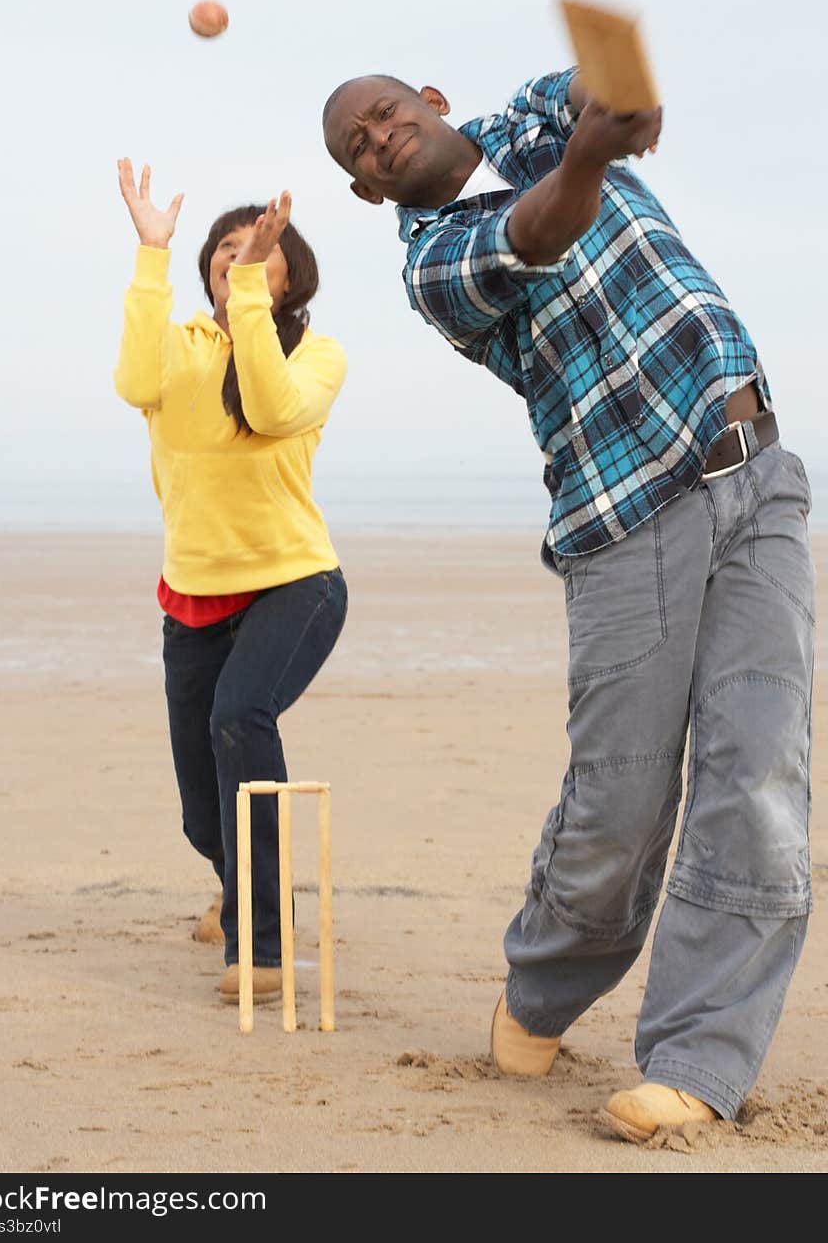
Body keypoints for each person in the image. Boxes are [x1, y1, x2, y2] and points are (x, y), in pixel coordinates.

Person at [322, 71, 814, 1142]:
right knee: (618, 810)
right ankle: (540, 990)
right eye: (359, 148)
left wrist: (623, 110)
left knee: (758, 774)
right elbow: (539, 229)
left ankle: (694, 1059)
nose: (381, 137)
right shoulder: (433, 262)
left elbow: (614, 98)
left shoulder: (535, 116)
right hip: (620, 520)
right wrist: (594, 150)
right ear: (366, 192)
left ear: (432, 97)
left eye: (387, 111)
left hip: (756, 467)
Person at [115, 163, 348, 1004]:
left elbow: (274, 406)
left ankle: (264, 944)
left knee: (240, 720)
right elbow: (135, 383)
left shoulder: (315, 355)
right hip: (193, 594)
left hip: (296, 583)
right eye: (226, 248)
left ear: (289, 276)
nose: (237, 255)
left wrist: (250, 292)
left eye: (258, 249)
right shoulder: (177, 347)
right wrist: (151, 255)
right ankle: (236, 878)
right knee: (198, 810)